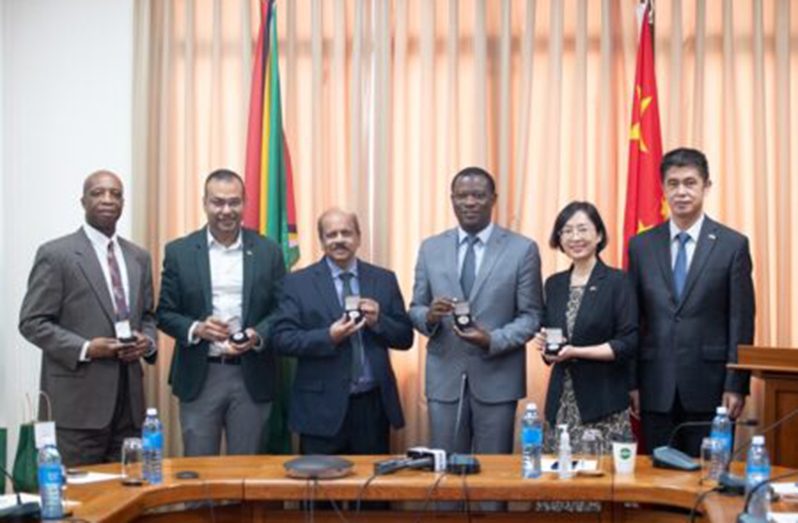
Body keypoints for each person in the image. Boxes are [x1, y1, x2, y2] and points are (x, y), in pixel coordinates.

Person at [19, 170, 157, 466]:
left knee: (128, 496)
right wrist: (85, 348)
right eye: (98, 193)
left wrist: (148, 341)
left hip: (129, 404)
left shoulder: (139, 257)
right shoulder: (57, 254)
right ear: (83, 201)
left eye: (116, 194)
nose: (108, 199)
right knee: (82, 502)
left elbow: (148, 315)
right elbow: (32, 322)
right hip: (78, 406)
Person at [628, 147, 755, 456]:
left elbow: (741, 320)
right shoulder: (641, 246)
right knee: (658, 485)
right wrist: (631, 383)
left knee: (708, 481)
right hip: (655, 385)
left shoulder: (732, 245)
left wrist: (735, 384)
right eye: (673, 184)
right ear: (663, 188)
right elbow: (632, 320)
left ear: (706, 186)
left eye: (690, 183)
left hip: (711, 387)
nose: (681, 192)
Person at [409, 166, 542, 456]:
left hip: (497, 379)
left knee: (493, 482)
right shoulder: (430, 248)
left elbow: (532, 316)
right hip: (445, 380)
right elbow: (415, 308)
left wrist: (491, 340)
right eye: (463, 196)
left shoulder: (522, 249)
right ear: (452, 199)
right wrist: (429, 316)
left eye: (478, 195)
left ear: (493, 199)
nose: (470, 202)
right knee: (444, 478)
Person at [156, 169, 286, 456]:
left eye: (234, 202)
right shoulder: (180, 251)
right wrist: (196, 328)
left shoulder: (268, 251)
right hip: (200, 374)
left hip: (252, 375)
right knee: (200, 473)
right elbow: (164, 312)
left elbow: (283, 310)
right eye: (217, 202)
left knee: (247, 473)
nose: (226, 210)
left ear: (245, 203)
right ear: (204, 203)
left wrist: (258, 334)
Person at [272, 209, 413, 455]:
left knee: (372, 489)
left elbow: (405, 338)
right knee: (320, 490)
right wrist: (328, 336)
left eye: (346, 233)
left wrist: (379, 320)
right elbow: (282, 339)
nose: (339, 239)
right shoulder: (298, 283)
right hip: (320, 410)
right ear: (322, 241)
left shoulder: (383, 279)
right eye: (331, 234)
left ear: (358, 237)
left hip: (372, 407)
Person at [530, 201, 638, 452]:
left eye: (582, 229)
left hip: (603, 402)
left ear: (599, 235)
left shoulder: (618, 282)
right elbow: (554, 340)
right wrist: (546, 347)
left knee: (599, 483)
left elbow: (628, 343)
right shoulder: (554, 284)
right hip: (560, 403)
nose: (574, 237)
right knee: (558, 481)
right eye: (567, 231)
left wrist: (576, 351)